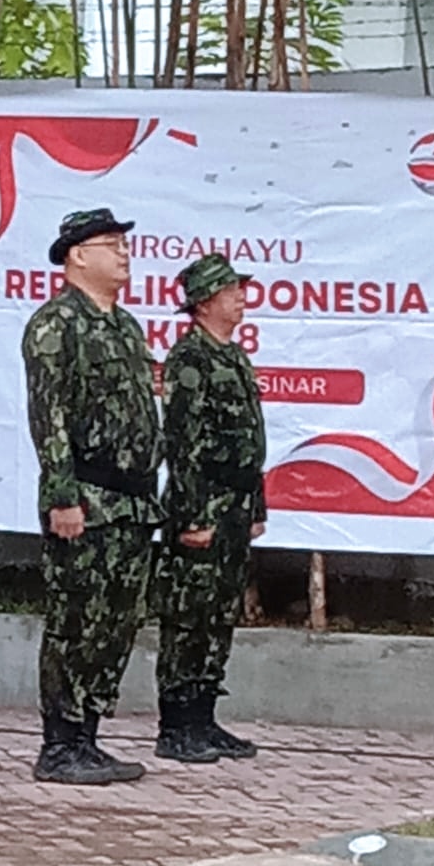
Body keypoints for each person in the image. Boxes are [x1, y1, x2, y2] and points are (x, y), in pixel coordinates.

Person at [22, 207, 162, 786]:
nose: (124, 253)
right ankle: (59, 743)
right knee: (75, 621)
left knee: (116, 622)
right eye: (112, 244)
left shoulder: (125, 326)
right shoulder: (55, 325)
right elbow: (48, 415)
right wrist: (62, 495)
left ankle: (88, 736)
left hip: (131, 500)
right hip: (86, 495)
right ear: (78, 255)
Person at [154, 254, 266, 763]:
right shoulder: (189, 361)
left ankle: (204, 716)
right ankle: (176, 725)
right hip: (203, 506)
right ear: (203, 303)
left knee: (220, 615)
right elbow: (184, 446)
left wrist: (256, 504)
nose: (241, 297)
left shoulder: (234, 358)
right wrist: (193, 517)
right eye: (230, 290)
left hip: (236, 507)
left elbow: (251, 441)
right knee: (189, 616)